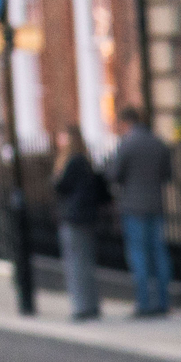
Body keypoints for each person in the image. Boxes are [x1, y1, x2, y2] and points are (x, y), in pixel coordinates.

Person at [106, 103, 173, 317]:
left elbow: (114, 174)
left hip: (134, 207)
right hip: (155, 205)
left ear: (125, 122)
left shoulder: (127, 144)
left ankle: (144, 304)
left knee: (139, 256)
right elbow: (167, 175)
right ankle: (162, 301)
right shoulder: (157, 143)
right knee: (159, 253)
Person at [51, 126, 110, 322]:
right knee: (86, 262)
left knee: (75, 264)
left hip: (74, 218)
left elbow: (60, 186)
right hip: (87, 217)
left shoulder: (72, 162)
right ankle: (91, 304)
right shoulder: (85, 160)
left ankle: (81, 306)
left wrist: (57, 174)